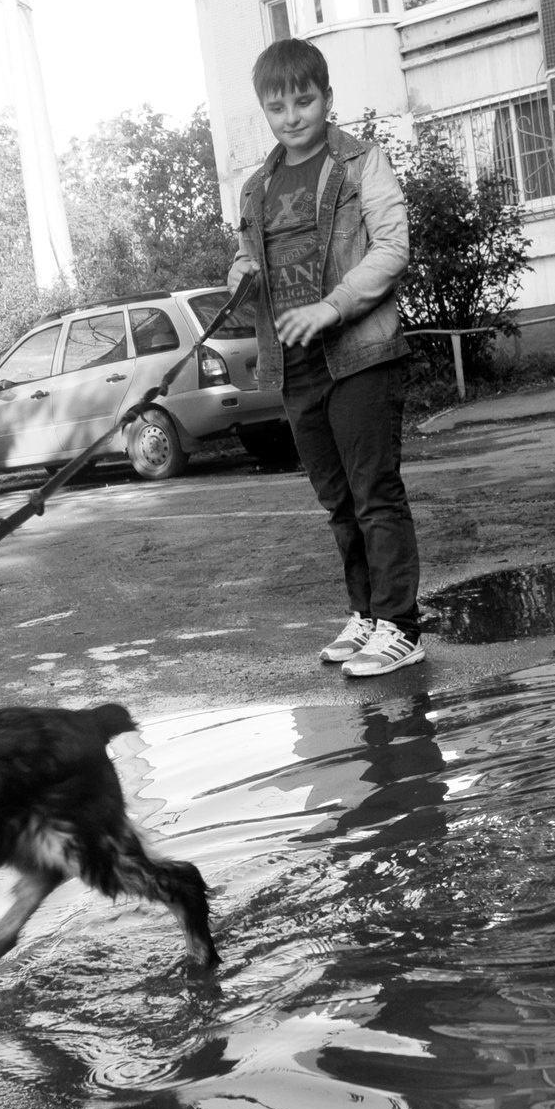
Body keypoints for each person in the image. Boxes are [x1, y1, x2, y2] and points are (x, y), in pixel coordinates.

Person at [227, 37, 422, 678]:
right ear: (264, 109)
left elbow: (392, 247)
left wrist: (331, 307)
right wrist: (240, 277)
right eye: (277, 106)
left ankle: (400, 626)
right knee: (338, 502)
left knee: (374, 494)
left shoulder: (363, 163)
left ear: (327, 98)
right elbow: (245, 259)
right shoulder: (256, 188)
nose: (292, 117)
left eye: (304, 101)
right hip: (294, 365)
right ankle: (365, 614)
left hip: (358, 353)